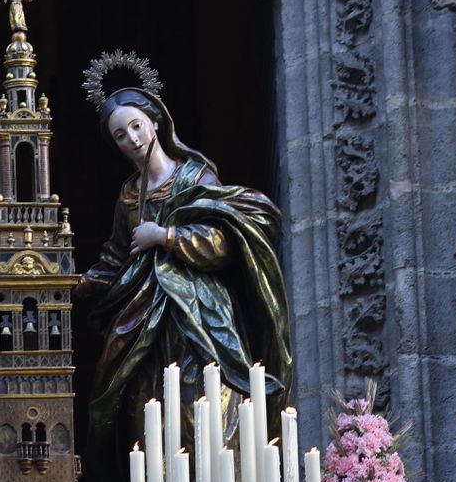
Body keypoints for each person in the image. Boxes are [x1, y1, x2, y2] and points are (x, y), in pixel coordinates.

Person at [74, 51, 292, 451]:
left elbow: (223, 243)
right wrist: (72, 284)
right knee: (145, 415)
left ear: (155, 123)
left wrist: (166, 236)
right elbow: (115, 258)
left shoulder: (195, 177)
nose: (132, 139)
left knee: (205, 409)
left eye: (136, 126)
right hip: (144, 320)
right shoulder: (127, 196)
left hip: (198, 313)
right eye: (120, 135)